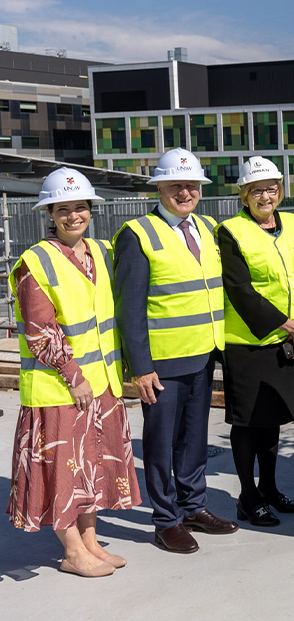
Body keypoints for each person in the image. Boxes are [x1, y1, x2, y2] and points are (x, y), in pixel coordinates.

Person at [6, 169, 140, 577]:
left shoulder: (100, 250)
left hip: (102, 383)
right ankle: (71, 552)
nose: (73, 215)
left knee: (93, 466)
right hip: (60, 389)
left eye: (79, 207)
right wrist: (73, 375)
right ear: (49, 213)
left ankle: (91, 542)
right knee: (63, 470)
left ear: (90, 209)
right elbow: (40, 331)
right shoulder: (36, 261)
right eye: (63, 209)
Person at [114, 148, 238, 554]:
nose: (185, 192)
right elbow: (129, 307)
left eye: (191, 185)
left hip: (203, 354)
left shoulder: (205, 226)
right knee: (160, 444)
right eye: (176, 185)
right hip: (163, 363)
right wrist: (141, 366)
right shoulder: (138, 234)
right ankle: (166, 520)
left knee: (194, 440)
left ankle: (193, 507)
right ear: (160, 188)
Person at [216, 157, 294, 527]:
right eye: (257, 190)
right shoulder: (231, 231)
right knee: (248, 422)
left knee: (272, 420)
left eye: (271, 188)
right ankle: (248, 497)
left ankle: (270, 488)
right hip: (248, 342)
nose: (265, 196)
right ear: (244, 195)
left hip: (289, 339)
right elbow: (240, 291)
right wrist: (289, 325)